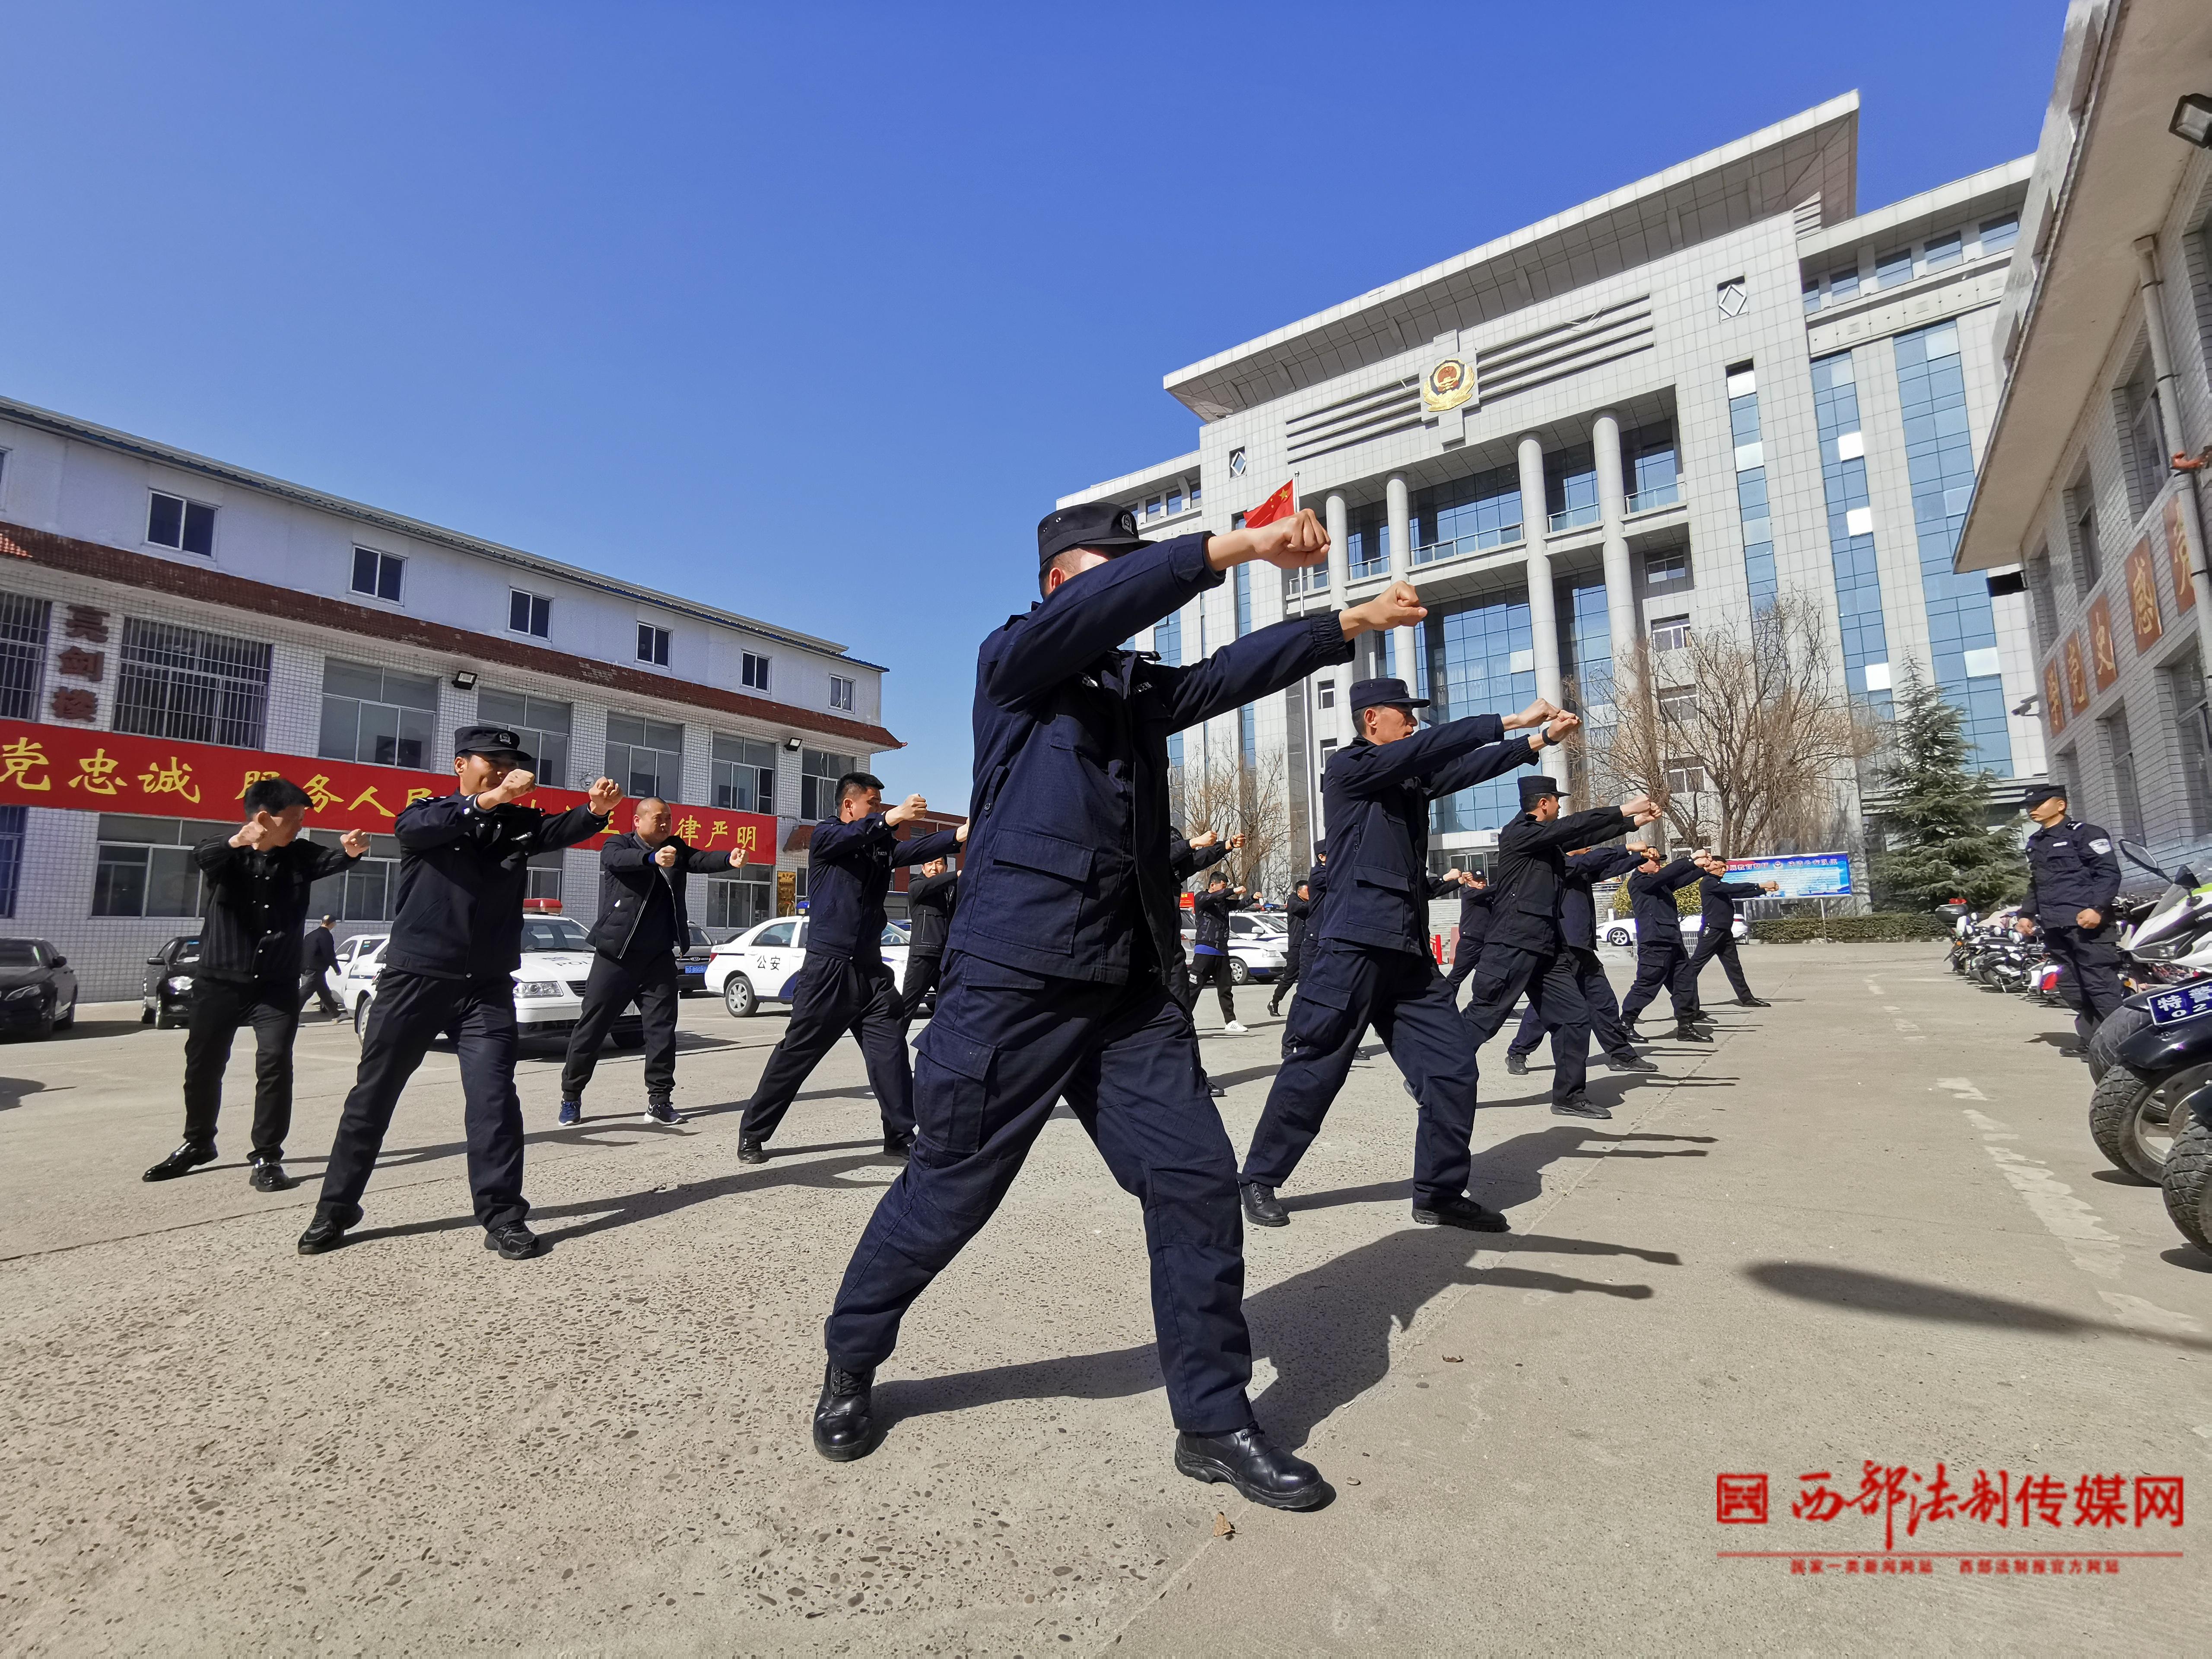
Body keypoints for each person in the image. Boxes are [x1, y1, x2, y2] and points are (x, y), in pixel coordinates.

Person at [814, 498, 1414, 1512]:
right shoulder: (1016, 659)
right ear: (1062, 580)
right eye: (1114, 569)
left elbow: (1228, 675)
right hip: (1012, 979)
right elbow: (1109, 604)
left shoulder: (1133, 688)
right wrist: (1230, 548)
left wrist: (1347, 625)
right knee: (949, 1191)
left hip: (1128, 985)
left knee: (1192, 1180)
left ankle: (1213, 1418)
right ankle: (852, 1358)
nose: (1131, 590)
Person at [1238, 677, 1570, 1230]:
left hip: (1407, 953)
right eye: (1405, 716)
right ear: (1372, 721)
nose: (1414, 724)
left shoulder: (1407, 778)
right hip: (1350, 946)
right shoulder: (1349, 770)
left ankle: (1438, 1193)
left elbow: (1460, 768)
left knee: (1452, 1068)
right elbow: (1432, 749)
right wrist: (1511, 721)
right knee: (1318, 1066)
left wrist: (1534, 744)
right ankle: (1258, 1178)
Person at [298, 727, 620, 1260]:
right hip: (415, 979)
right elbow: (414, 828)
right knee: (373, 1097)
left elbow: (559, 829)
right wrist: (492, 799)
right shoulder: (428, 815)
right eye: (490, 762)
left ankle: (503, 1215)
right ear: (460, 766)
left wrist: (595, 811)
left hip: (486, 985)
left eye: (509, 762)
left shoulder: (518, 823)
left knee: (494, 1099)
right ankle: (335, 1209)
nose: (501, 769)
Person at [142, 783, 367, 1191]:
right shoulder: (225, 853)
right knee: (203, 1066)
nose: (302, 826)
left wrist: (351, 851)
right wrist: (238, 840)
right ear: (264, 817)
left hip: (275, 987)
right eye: (296, 818)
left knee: (275, 1064)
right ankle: (198, 1143)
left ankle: (266, 1156)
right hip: (219, 984)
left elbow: (334, 860)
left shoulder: (300, 855)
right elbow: (204, 856)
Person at [738, 776, 963, 1163]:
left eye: (880, 805)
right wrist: (891, 816)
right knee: (797, 1054)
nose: (878, 811)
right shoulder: (825, 837)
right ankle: (753, 1132)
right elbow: (857, 835)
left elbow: (911, 850)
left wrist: (959, 834)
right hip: (828, 970)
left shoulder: (878, 845)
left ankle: (899, 1134)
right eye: (873, 804)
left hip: (871, 972)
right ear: (849, 806)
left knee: (889, 1052)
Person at [1460, 777, 1660, 1120]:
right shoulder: (1519, 833)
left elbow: (1580, 839)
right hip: (1513, 942)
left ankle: (1569, 1096)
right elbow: (1573, 829)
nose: (1559, 808)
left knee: (1574, 1018)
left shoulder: (1545, 846)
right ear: (1544, 804)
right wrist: (1625, 808)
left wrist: (1631, 824)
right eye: (1556, 802)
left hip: (1546, 945)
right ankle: (1428, 1074)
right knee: (1484, 1017)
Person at [558, 797, 744, 1126]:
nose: (665, 825)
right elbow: (619, 859)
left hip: (658, 958)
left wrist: (729, 858)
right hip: (616, 955)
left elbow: (700, 859)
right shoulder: (618, 844)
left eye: (668, 819)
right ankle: (571, 1097)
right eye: (658, 819)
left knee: (661, 1031)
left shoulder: (676, 848)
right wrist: (652, 858)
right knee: (592, 1027)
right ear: (638, 821)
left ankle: (659, 1101)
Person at [1500, 843, 1660, 1080]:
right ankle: (1518, 1052)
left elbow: (1607, 868)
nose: (1589, 849)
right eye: (1585, 846)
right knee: (1545, 1008)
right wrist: (1629, 849)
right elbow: (1591, 860)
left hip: (1582, 948)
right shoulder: (1559, 866)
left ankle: (1621, 1055)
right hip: (1561, 948)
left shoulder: (1581, 868)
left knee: (1604, 1003)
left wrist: (1638, 858)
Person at [2013, 783, 2123, 1032]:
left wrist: (2097, 907)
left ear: (2060, 805)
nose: (2033, 810)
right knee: (2072, 986)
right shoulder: (2036, 842)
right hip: (2054, 924)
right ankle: (2093, 1042)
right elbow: (2037, 882)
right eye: (2030, 806)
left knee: (2101, 986)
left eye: (2038, 805)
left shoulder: (2086, 834)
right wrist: (2027, 914)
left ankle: (2124, 1044)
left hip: (2086, 923)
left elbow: (2108, 874)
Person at [1618, 846, 1709, 1042]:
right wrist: (1692, 859)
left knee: (1685, 983)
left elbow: (1680, 879)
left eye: (1660, 861)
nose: (1659, 864)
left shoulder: (1660, 882)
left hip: (1672, 940)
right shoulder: (1640, 882)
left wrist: (1703, 869)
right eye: (1655, 861)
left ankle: (1686, 1026)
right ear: (1641, 866)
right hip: (1655, 942)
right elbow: (1668, 874)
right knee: (1648, 984)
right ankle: (1626, 1023)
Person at [1676, 853, 1777, 1014]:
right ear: (1711, 866)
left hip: (1724, 932)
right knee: (1694, 967)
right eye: (1721, 867)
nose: (1724, 870)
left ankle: (1747, 998)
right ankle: (1686, 1003)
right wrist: (1759, 885)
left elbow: (1737, 893)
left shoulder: (1718, 884)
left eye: (1726, 867)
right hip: (1713, 931)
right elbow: (1733, 888)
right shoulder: (1709, 882)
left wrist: (1763, 890)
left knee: (1734, 967)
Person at [897, 856, 960, 1029]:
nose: (934, 868)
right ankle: (890, 1049)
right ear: (923, 868)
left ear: (945, 867)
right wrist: (958, 874)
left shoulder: (951, 889)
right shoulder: (917, 886)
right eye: (930, 864)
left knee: (954, 1008)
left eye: (939, 864)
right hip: (923, 957)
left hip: (946, 957)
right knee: (906, 1009)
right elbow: (930, 885)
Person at [1189, 874, 1250, 1032]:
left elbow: (1239, 905)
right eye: (1222, 886)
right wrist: (1233, 890)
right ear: (1213, 885)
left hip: (1222, 951)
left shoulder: (1223, 903)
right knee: (1193, 988)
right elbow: (1217, 896)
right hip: (1205, 950)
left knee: (1225, 989)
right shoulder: (1202, 898)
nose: (1224, 890)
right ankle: (1182, 1019)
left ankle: (1230, 1021)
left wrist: (1253, 899)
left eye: (1225, 886)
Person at [1443, 870, 1495, 1001]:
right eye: (1478, 881)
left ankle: (1491, 1003)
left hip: (1487, 943)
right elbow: (1489, 891)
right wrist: (1506, 883)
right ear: (1470, 881)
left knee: (1493, 976)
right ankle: (1444, 1004)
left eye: (1484, 880)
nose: (1482, 883)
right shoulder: (1469, 894)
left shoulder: (1488, 898)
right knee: (1457, 977)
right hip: (1470, 944)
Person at [1267, 878, 1311, 1018]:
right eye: (1307, 891)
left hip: (1309, 944)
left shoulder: (1307, 902)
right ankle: (1275, 1001)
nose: (1310, 894)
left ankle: (1306, 1006)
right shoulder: (1293, 901)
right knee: (1290, 975)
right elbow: (1304, 908)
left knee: (1310, 975)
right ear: (1299, 892)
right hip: (1296, 945)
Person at [299, 915, 343, 1017]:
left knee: (324, 992)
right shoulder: (326, 936)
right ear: (332, 924)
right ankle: (290, 1015)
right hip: (316, 970)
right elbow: (329, 954)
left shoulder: (310, 935)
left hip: (306, 968)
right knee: (304, 994)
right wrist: (336, 968)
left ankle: (336, 1014)